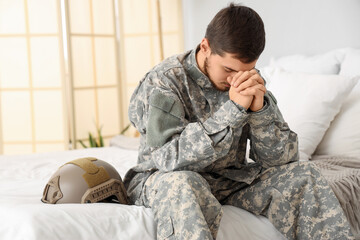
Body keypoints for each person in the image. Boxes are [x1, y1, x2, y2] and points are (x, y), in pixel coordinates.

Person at [123, 3, 354, 240]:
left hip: (229, 180)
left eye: (247, 70)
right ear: (206, 47)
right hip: (163, 178)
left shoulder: (248, 80)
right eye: (228, 69)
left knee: (304, 174)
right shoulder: (164, 81)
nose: (236, 79)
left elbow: (283, 160)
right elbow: (168, 158)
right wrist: (233, 110)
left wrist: (259, 112)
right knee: (184, 184)